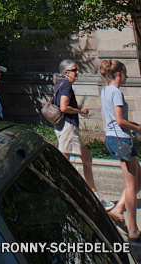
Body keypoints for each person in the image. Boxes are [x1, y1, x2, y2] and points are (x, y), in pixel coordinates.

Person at [52, 59, 114, 210]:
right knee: (64, 162)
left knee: (87, 159)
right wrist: (81, 111)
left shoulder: (59, 84)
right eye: (74, 70)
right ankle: (58, 196)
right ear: (66, 73)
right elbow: (64, 107)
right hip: (68, 129)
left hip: (66, 128)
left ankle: (93, 194)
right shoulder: (66, 84)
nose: (77, 72)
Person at [100, 59, 141, 241]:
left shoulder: (105, 90)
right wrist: (138, 128)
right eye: (125, 74)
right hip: (121, 139)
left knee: (138, 179)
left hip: (116, 138)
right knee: (131, 186)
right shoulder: (116, 91)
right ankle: (133, 231)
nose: (126, 77)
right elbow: (119, 121)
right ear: (119, 74)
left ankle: (117, 210)